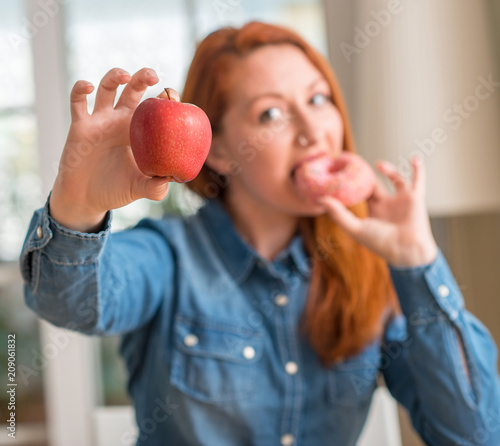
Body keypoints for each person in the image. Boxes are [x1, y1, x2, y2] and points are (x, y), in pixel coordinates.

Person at [20, 21, 500, 446]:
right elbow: (67, 303)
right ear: (220, 152)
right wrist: (76, 209)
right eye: (271, 114)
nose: (314, 131)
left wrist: (417, 261)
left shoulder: (371, 272)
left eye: (318, 98)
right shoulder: (168, 257)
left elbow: (473, 435)